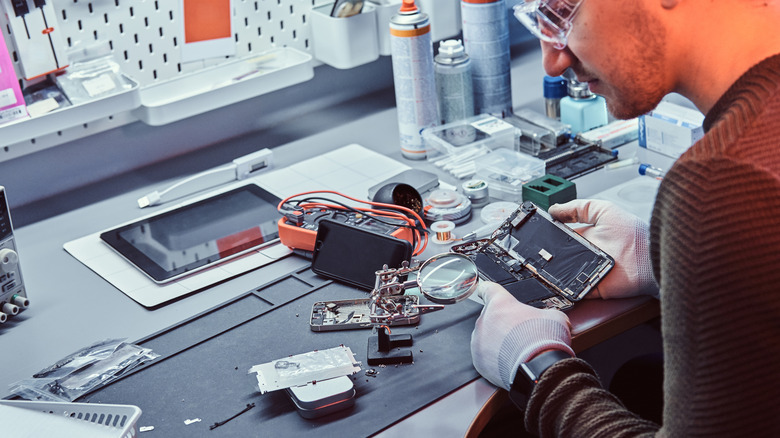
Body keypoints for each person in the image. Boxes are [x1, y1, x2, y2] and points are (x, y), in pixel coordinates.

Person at [470, 0, 780, 436]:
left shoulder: (724, 179)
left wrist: (538, 367)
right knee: (641, 378)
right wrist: (662, 265)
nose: (553, 62)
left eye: (559, 12)